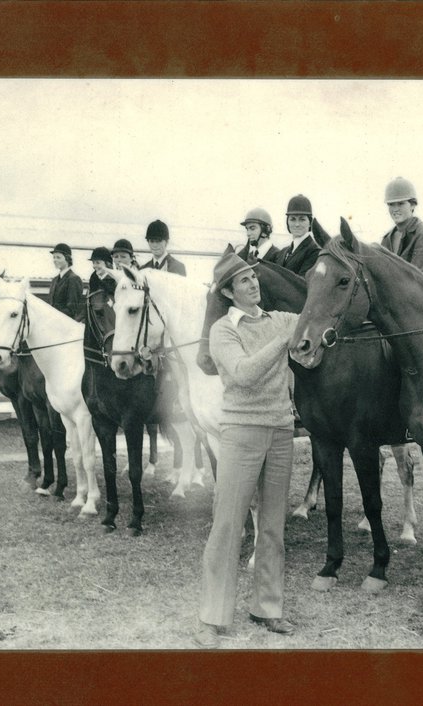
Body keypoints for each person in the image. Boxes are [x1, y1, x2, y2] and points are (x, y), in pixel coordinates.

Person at [193, 250, 300, 648]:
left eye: (254, 277)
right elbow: (242, 374)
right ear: (228, 291)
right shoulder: (223, 330)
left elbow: (314, 327)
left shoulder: (281, 320)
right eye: (244, 281)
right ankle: (211, 616)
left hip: (281, 430)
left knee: (272, 526)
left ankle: (267, 608)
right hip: (240, 431)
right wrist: (282, 343)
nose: (254, 283)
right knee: (229, 525)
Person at [380, 177, 423, 276]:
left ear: (413, 205)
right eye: (391, 204)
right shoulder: (386, 239)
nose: (395, 209)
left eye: (401, 204)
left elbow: (417, 278)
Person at [270, 194, 320, 277]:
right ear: (287, 222)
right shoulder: (282, 252)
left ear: (310, 222)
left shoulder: (314, 252)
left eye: (302, 219)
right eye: (293, 219)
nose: (297, 224)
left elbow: (302, 283)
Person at [47, 242, 86, 322]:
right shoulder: (55, 280)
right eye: (54, 257)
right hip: (53, 324)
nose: (55, 260)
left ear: (67, 259)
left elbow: (71, 309)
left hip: (66, 325)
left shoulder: (74, 279)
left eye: (58, 257)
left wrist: (53, 317)